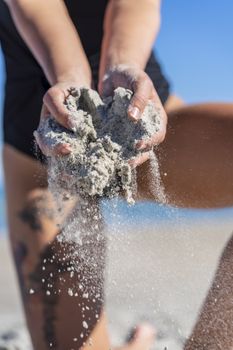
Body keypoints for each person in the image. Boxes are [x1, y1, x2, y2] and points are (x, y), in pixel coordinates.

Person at [1, 0, 233, 349]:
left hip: (144, 130)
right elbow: (37, 10)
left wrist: (120, 70)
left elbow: (134, 6)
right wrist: (74, 88)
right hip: (46, 155)